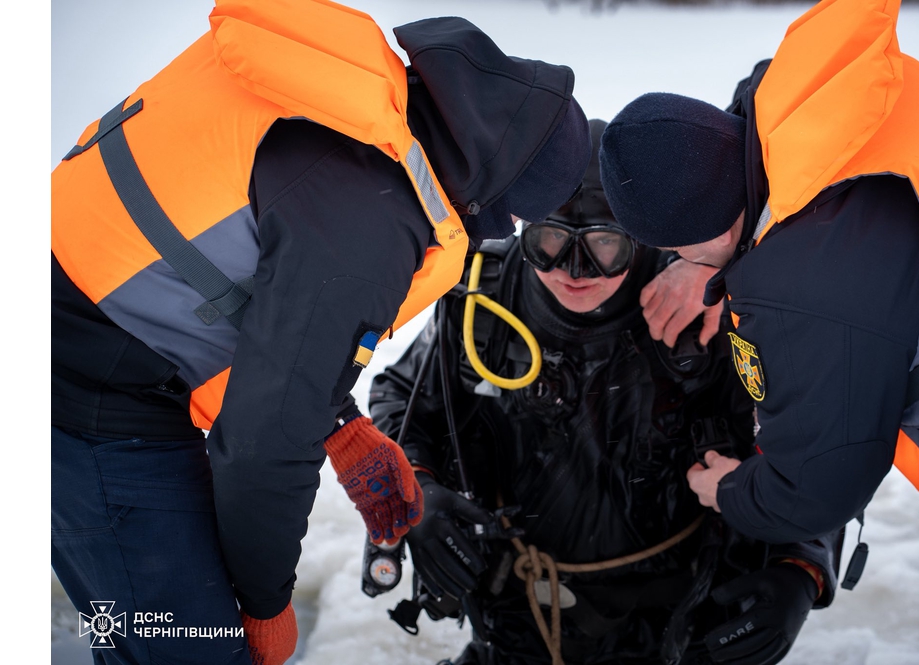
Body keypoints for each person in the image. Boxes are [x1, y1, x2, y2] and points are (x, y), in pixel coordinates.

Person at [51, 1, 591, 663]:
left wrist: (340, 425)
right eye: (516, 219)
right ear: (495, 188)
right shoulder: (371, 214)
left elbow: (258, 288)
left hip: (77, 319)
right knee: (192, 649)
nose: (499, 234)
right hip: (81, 389)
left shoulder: (352, 101)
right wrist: (265, 604)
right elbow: (263, 447)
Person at [597, 0, 919, 663]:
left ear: (704, 234)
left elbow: (813, 488)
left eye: (679, 252)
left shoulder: (804, 291)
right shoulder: (803, 100)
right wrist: (710, 268)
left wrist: (722, 487)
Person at [368, 119, 842, 665]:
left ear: (640, 236)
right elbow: (398, 400)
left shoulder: (701, 309)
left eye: (603, 246)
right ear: (523, 229)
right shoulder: (484, 301)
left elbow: (811, 442)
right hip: (514, 613)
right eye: (548, 242)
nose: (574, 270)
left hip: (675, 621)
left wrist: (800, 568)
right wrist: (414, 493)